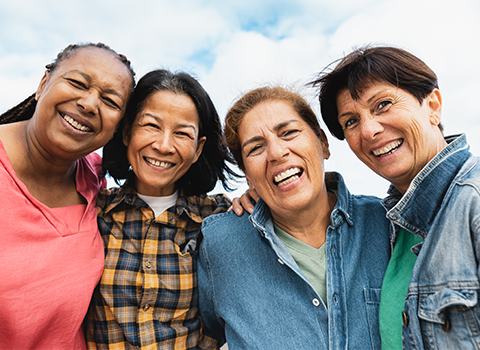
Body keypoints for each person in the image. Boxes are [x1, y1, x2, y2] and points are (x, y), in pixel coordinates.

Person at [312, 45, 480, 349]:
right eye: (350, 121)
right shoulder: (388, 225)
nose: (369, 130)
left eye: (383, 104)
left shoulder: (474, 203)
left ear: (432, 106)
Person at [198, 86, 391, 349]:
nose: (277, 153)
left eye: (289, 133)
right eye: (256, 148)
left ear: (323, 143)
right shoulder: (219, 245)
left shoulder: (387, 224)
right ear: (247, 175)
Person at [87, 69, 237, 349]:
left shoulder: (222, 219)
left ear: (198, 148)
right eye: (152, 125)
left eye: (182, 133)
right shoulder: (91, 211)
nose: (163, 145)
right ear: (127, 130)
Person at [0, 43, 135, 349]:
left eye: (110, 101)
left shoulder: (96, 181)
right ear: (43, 84)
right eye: (77, 83)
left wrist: (253, 197)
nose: (89, 104)